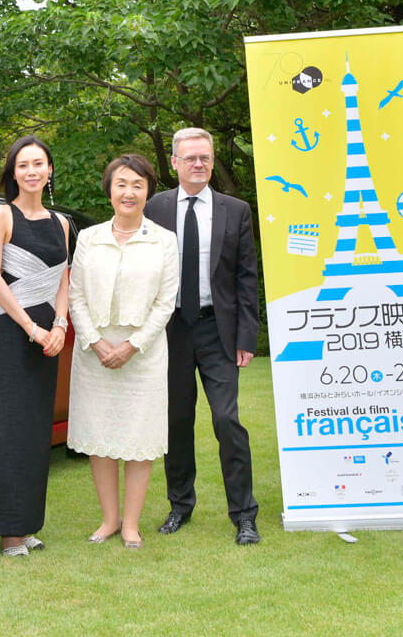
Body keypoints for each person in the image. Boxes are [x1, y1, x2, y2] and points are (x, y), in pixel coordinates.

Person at [144, 127, 262, 545]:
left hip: (219, 329)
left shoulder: (236, 210)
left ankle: (245, 514)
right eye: (190, 158)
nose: (199, 164)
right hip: (170, 329)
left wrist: (247, 336)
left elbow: (247, 277)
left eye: (205, 158)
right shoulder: (154, 207)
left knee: (227, 419)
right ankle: (180, 505)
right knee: (176, 421)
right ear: (174, 163)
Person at [0, 136, 70, 556]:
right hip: (11, 332)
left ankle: (25, 525)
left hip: (48, 337)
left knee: (36, 431)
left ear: (49, 169)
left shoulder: (60, 223)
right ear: (13, 172)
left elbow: (63, 279)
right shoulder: (0, 215)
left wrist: (59, 325)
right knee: (6, 429)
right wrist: (32, 329)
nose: (32, 171)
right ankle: (6, 533)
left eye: (38, 163)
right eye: (23, 165)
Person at [67, 154, 178, 549]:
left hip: (142, 353)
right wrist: (97, 342)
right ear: (109, 189)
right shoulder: (88, 237)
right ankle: (109, 519)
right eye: (121, 184)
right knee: (100, 436)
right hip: (93, 351)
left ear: (148, 191)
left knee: (138, 437)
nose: (129, 192)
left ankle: (131, 523)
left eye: (137, 185)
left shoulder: (164, 240)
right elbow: (75, 295)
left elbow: (165, 303)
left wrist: (131, 346)